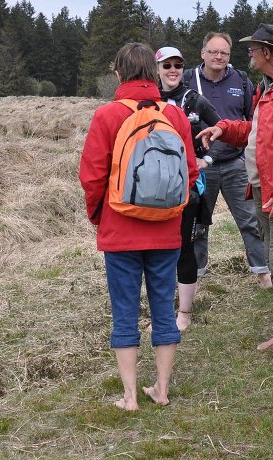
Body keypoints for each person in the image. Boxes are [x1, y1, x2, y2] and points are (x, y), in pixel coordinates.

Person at [78, 43, 198, 410]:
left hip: (120, 232)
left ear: (118, 73)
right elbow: (190, 172)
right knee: (165, 308)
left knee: (124, 311)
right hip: (166, 230)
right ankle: (161, 390)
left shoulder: (107, 115)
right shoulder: (174, 116)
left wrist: (100, 218)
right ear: (154, 71)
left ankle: (130, 396)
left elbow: (92, 177)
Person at [198, 24, 273, 365]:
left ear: (267, 52)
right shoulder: (270, 88)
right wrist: (223, 128)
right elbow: (255, 132)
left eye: (253, 49)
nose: (247, 54)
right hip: (265, 193)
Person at [185, 32, 272, 289]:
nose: (218, 56)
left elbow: (251, 121)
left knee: (251, 221)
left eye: (223, 52)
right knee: (198, 224)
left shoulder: (241, 80)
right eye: (213, 51)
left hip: (235, 163)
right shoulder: (189, 80)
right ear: (203, 53)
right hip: (201, 167)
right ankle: (195, 277)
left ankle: (263, 272)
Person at [154, 46, 220, 332]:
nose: (172, 70)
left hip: (188, 187)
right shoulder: (148, 100)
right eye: (167, 65)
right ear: (157, 68)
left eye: (178, 66)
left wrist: (208, 158)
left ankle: (184, 313)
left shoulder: (195, 100)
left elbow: (223, 130)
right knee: (157, 250)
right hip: (153, 188)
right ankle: (161, 310)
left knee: (185, 247)